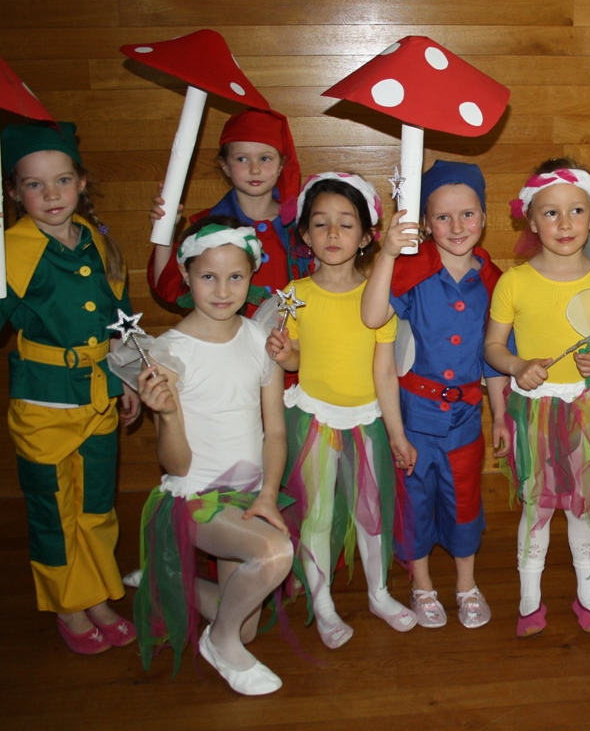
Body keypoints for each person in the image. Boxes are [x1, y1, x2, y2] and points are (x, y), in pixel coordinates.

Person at [0, 121, 140, 654]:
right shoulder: (10, 248)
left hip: (98, 398)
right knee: (54, 511)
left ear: (81, 183)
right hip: (43, 405)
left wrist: (126, 376)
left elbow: (117, 320)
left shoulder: (97, 241)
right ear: (14, 191)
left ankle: (97, 593)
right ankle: (67, 604)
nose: (51, 194)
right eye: (34, 184)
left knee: (96, 507)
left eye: (62, 180)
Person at [134, 219, 293, 695]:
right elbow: (176, 465)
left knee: (248, 626)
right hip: (194, 498)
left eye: (235, 277)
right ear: (186, 276)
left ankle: (166, 581)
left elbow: (275, 430)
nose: (223, 291)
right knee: (274, 553)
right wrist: (166, 416)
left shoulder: (259, 339)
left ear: (251, 276)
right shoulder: (170, 354)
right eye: (208, 277)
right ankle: (220, 642)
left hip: (247, 493)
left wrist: (267, 495)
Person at [267, 172, 416, 648]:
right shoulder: (296, 293)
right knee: (317, 513)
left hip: (366, 421)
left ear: (367, 236)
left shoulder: (378, 298)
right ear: (305, 234)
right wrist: (283, 352)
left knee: (372, 511)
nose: (333, 234)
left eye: (346, 224)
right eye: (321, 223)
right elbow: (296, 359)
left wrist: (397, 434)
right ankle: (322, 601)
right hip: (314, 419)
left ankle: (378, 592)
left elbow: (384, 372)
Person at [360, 160, 510, 629]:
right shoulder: (412, 271)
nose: (457, 226)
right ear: (425, 223)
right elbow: (372, 316)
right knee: (414, 498)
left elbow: (494, 356)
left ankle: (466, 583)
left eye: (467, 214)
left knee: (464, 498)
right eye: (443, 217)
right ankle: (422, 583)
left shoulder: (493, 281)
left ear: (484, 217)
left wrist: (500, 413)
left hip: (465, 417)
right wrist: (387, 254)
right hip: (414, 415)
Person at [485, 160, 590, 637]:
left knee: (584, 504)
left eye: (576, 211)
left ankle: (589, 592)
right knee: (536, 504)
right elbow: (493, 347)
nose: (564, 224)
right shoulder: (514, 282)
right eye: (550, 213)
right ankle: (530, 597)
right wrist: (516, 365)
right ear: (530, 220)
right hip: (535, 411)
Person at [148, 108, 310, 312]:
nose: (254, 169)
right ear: (225, 165)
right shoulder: (208, 225)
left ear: (281, 165)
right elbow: (169, 288)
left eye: (265, 158)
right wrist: (165, 230)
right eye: (242, 159)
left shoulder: (303, 224)